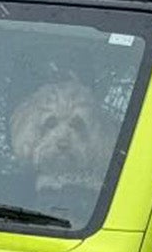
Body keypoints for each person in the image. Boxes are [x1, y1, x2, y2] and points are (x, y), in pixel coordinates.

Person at [7, 79, 112, 219]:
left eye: (76, 126)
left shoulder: (97, 199)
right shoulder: (19, 190)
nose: (63, 141)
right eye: (51, 124)